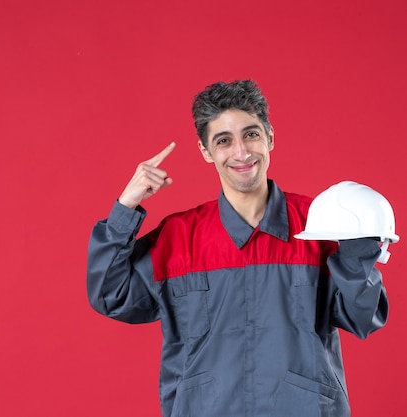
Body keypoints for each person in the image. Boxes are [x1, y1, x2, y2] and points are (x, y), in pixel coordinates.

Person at [86, 79, 388, 417]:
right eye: (224, 141)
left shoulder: (318, 223)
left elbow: (364, 316)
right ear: (205, 151)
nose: (241, 152)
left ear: (270, 137)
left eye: (251, 134)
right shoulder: (178, 237)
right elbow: (110, 295)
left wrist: (359, 246)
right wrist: (126, 207)